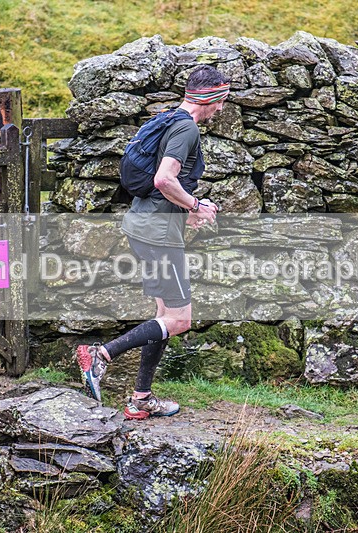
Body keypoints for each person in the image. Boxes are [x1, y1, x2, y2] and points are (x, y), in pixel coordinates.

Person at [76, 65, 228, 420]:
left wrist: (185, 211)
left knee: (163, 316)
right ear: (209, 97)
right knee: (180, 320)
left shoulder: (171, 118)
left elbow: (160, 186)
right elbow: (163, 179)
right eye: (220, 100)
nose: (221, 109)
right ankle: (100, 355)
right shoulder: (186, 128)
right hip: (158, 237)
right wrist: (196, 205)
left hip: (145, 227)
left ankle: (140, 399)